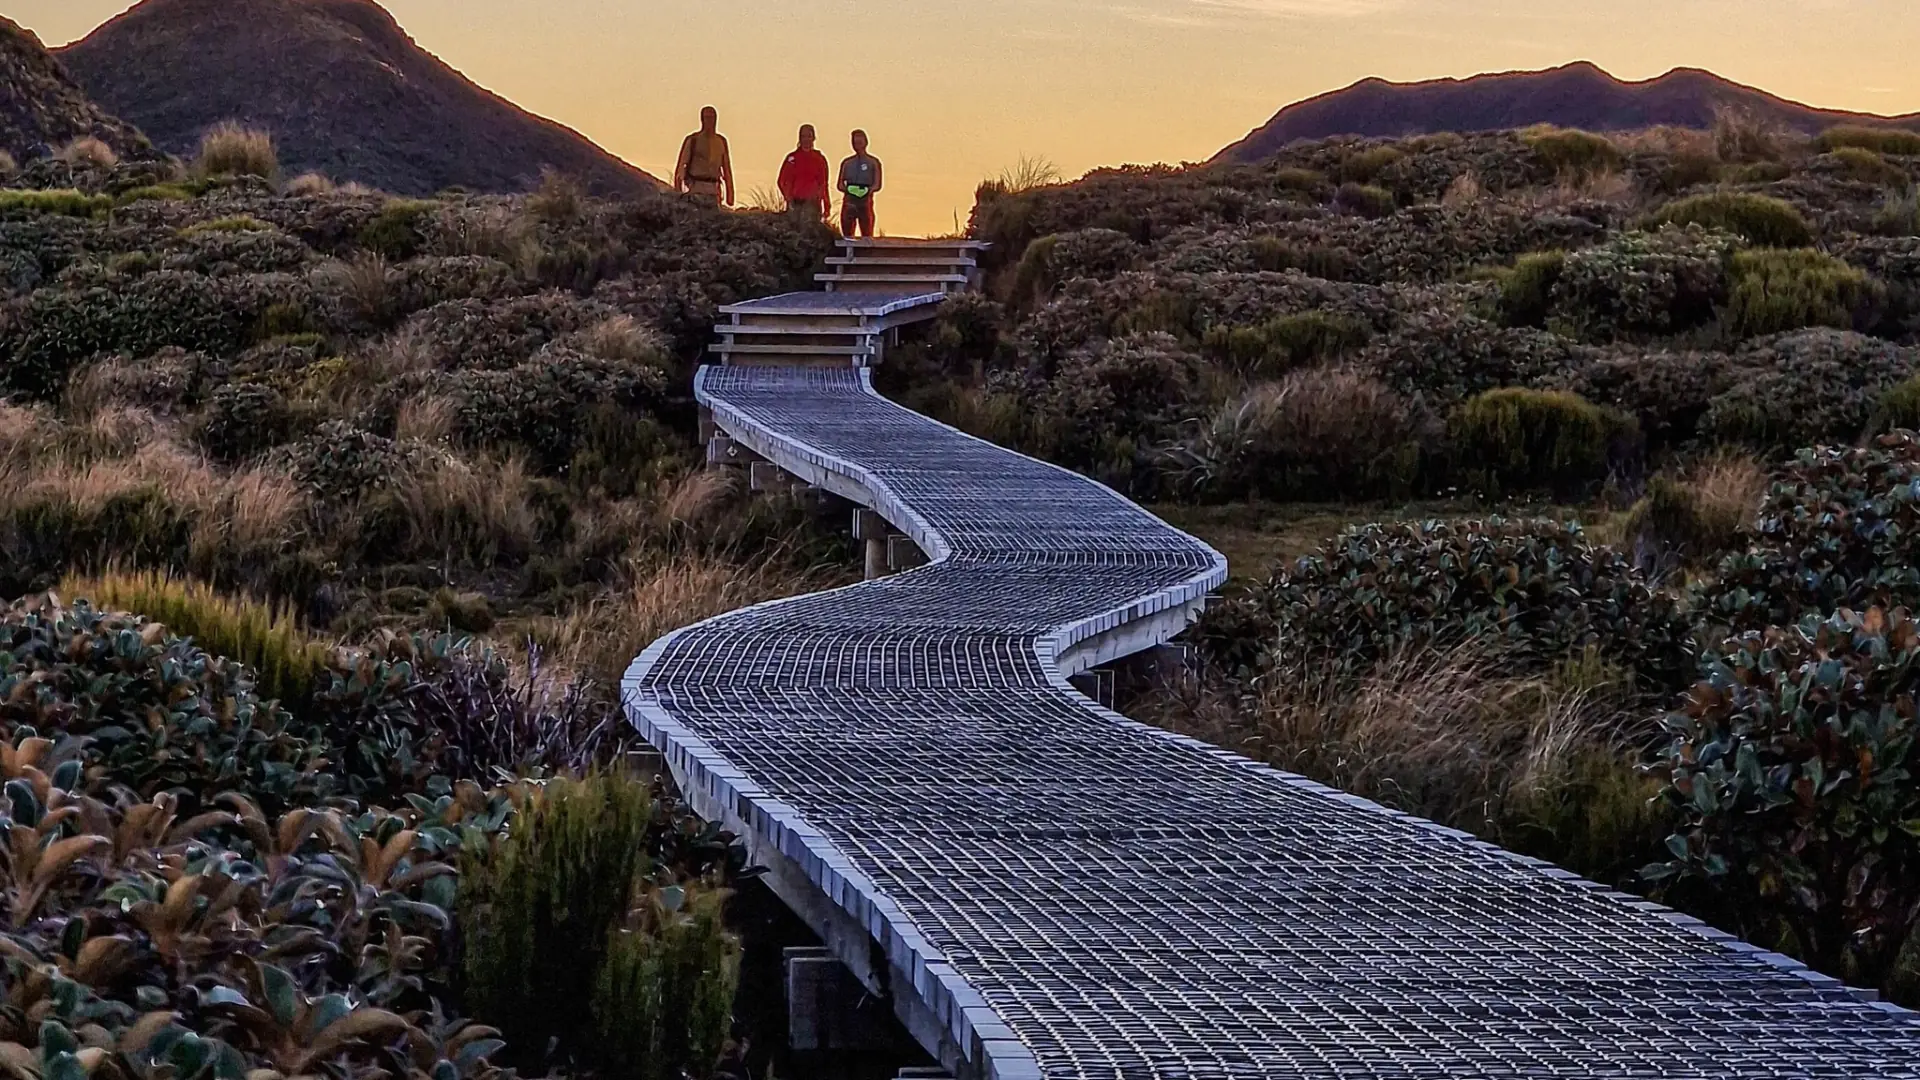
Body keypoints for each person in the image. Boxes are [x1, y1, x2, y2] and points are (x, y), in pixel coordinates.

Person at [674, 106, 734, 206]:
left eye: (712, 117)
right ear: (702, 119)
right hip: (696, 187)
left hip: (714, 189)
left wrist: (730, 195)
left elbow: (727, 169)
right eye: (707, 117)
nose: (710, 121)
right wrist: (678, 192)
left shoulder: (721, 141)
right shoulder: (693, 140)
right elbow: (681, 166)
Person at [777, 125, 831, 222]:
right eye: (803, 136)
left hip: (813, 204)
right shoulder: (792, 158)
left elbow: (823, 183)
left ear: (813, 138)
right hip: (796, 203)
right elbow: (782, 181)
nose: (806, 139)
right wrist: (789, 199)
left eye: (809, 136)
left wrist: (827, 204)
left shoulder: (819, 159)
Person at [837, 129, 883, 238]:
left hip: (865, 199)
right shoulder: (847, 163)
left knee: (867, 233)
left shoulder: (873, 162)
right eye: (854, 142)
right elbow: (840, 184)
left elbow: (877, 184)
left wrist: (867, 191)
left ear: (866, 142)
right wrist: (849, 190)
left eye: (859, 142)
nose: (856, 145)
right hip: (850, 199)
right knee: (847, 234)